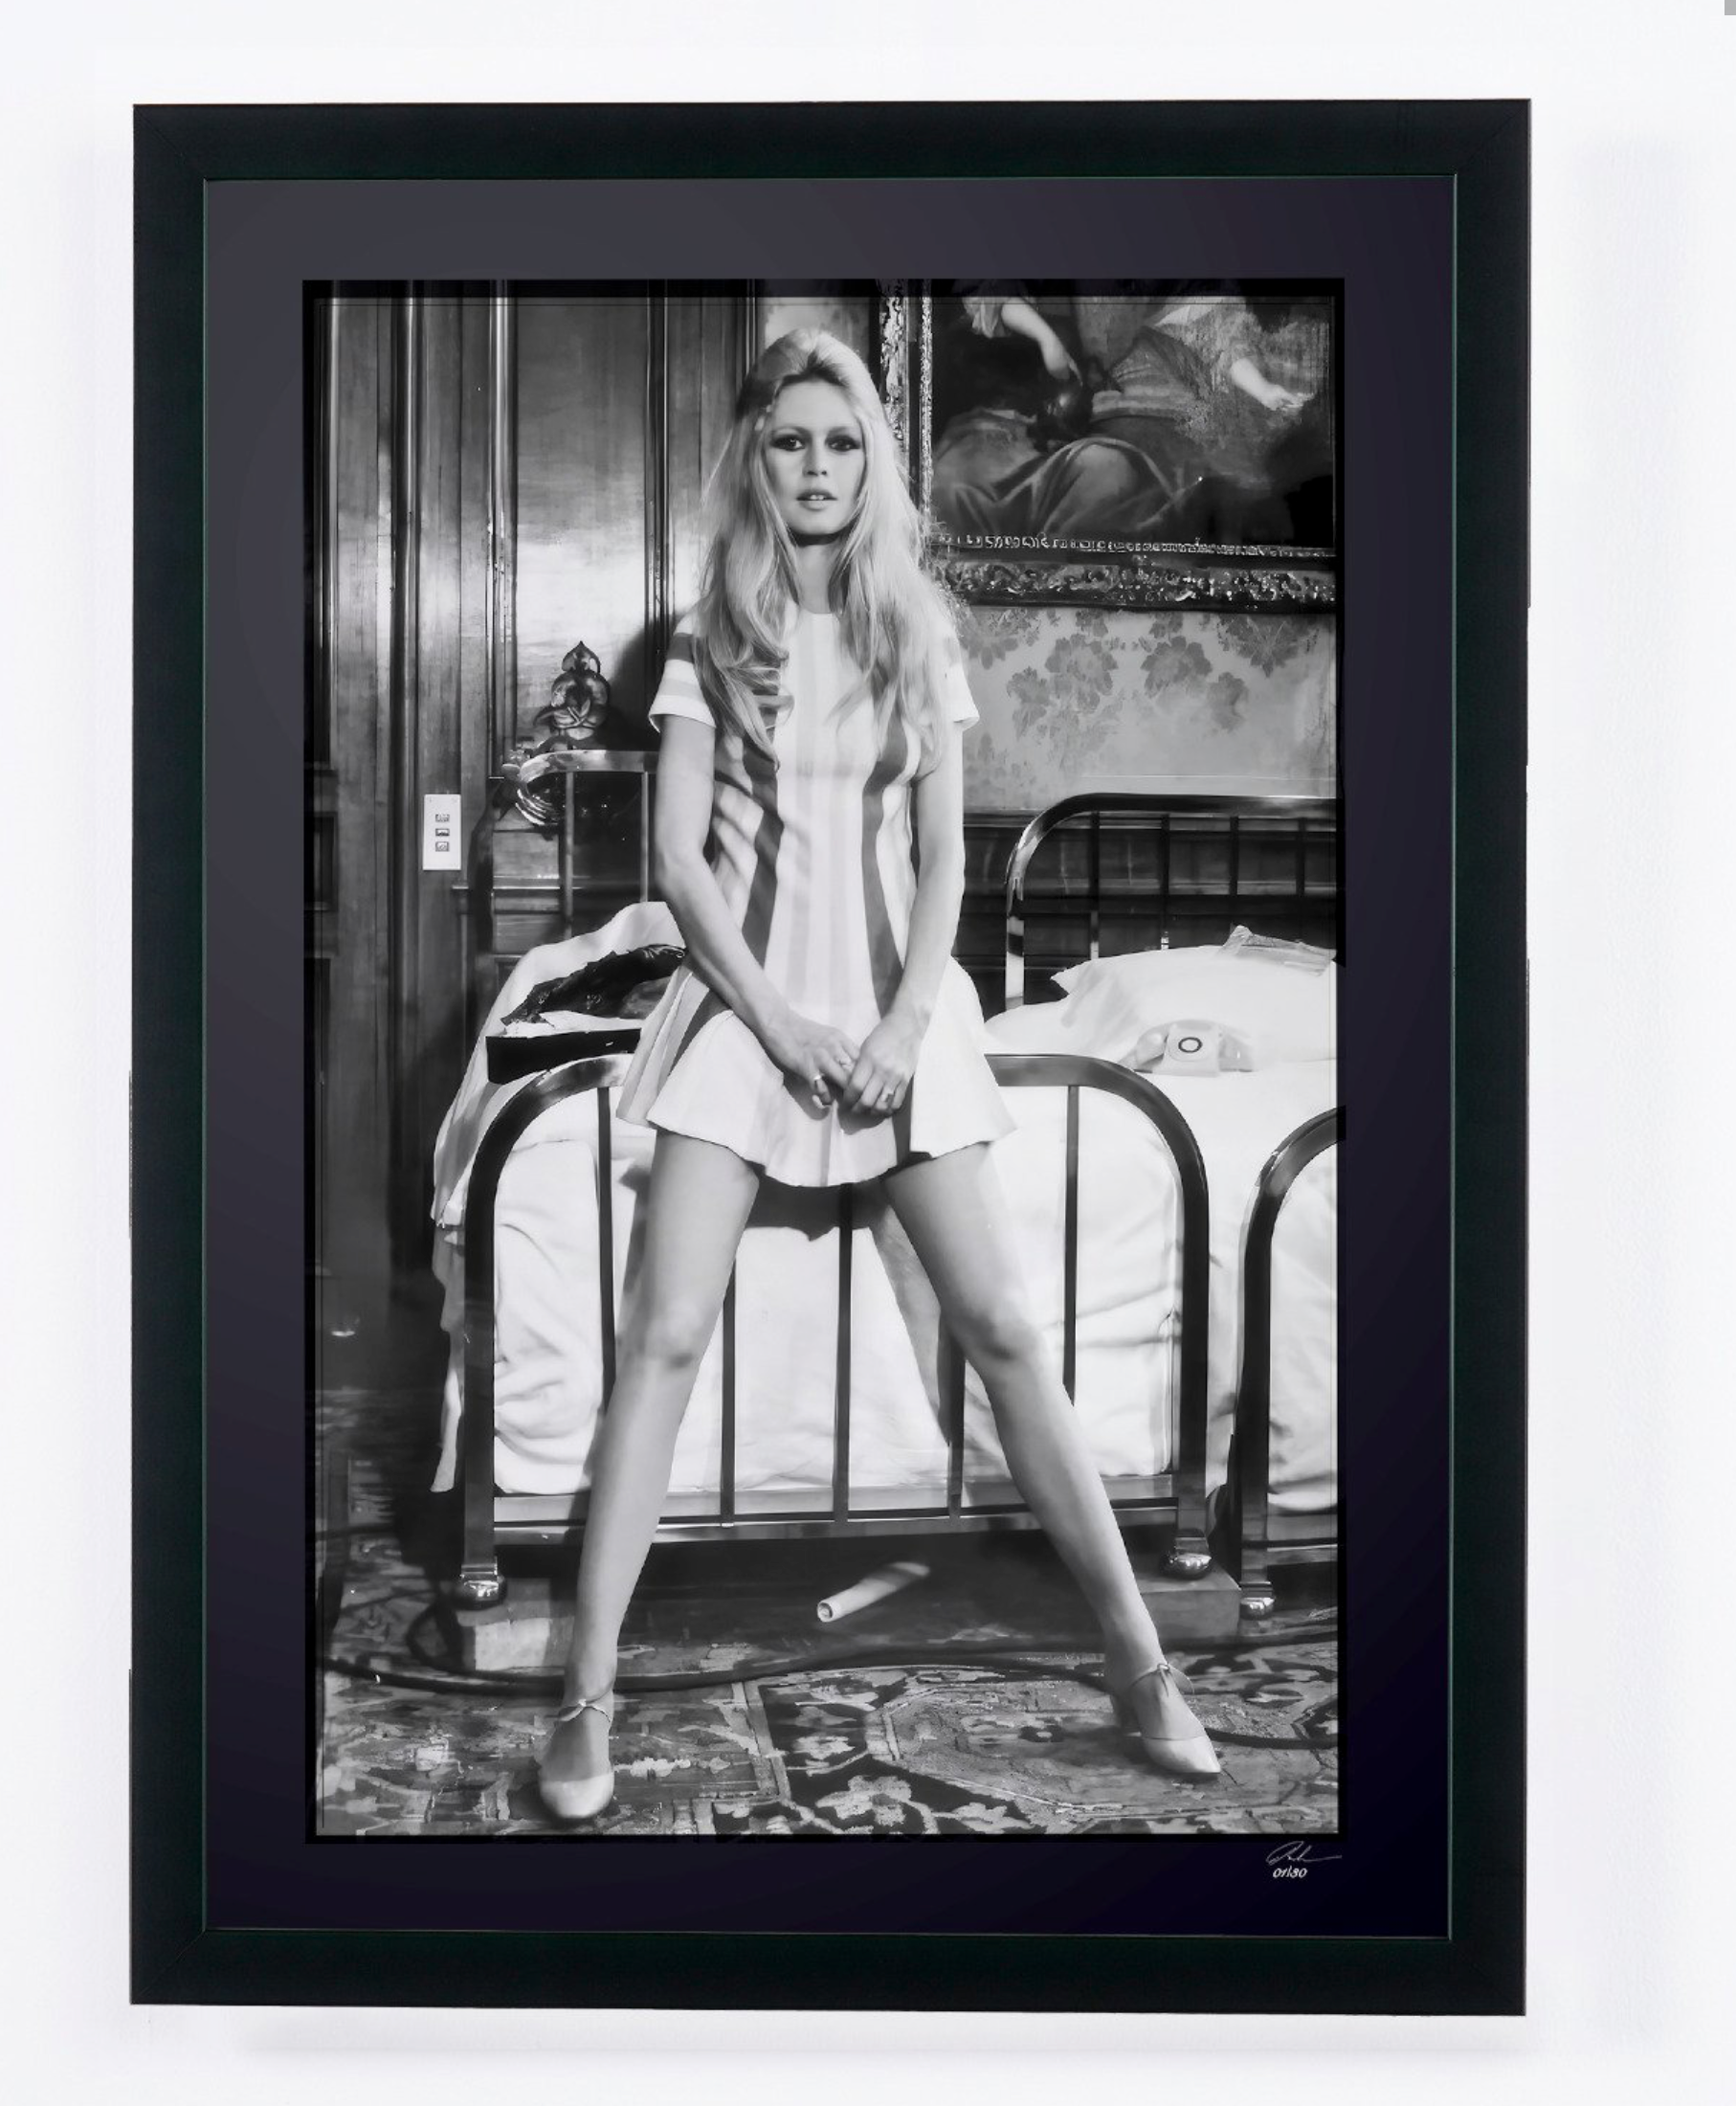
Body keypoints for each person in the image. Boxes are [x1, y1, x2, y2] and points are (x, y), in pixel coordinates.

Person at [537, 326, 1220, 1823]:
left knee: (1005, 1331)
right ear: (755, 456)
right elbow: (677, 866)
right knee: (663, 1338)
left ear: (874, 463)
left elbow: (947, 856)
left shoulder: (917, 631)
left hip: (900, 1021)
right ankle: (583, 1695)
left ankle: (1138, 1663)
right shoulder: (707, 636)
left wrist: (910, 1024)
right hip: (745, 1018)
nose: (816, 466)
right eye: (790, 440)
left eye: (841, 441)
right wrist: (783, 1028)